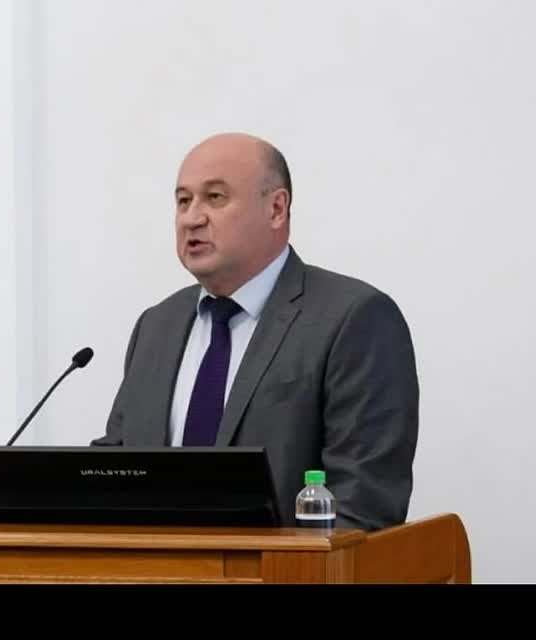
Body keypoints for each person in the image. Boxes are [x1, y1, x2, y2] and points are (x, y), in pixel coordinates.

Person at [92, 132, 418, 531]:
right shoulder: (157, 326)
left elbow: (363, 505)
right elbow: (115, 471)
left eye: (215, 197)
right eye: (183, 200)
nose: (192, 218)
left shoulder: (353, 319)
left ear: (276, 209)